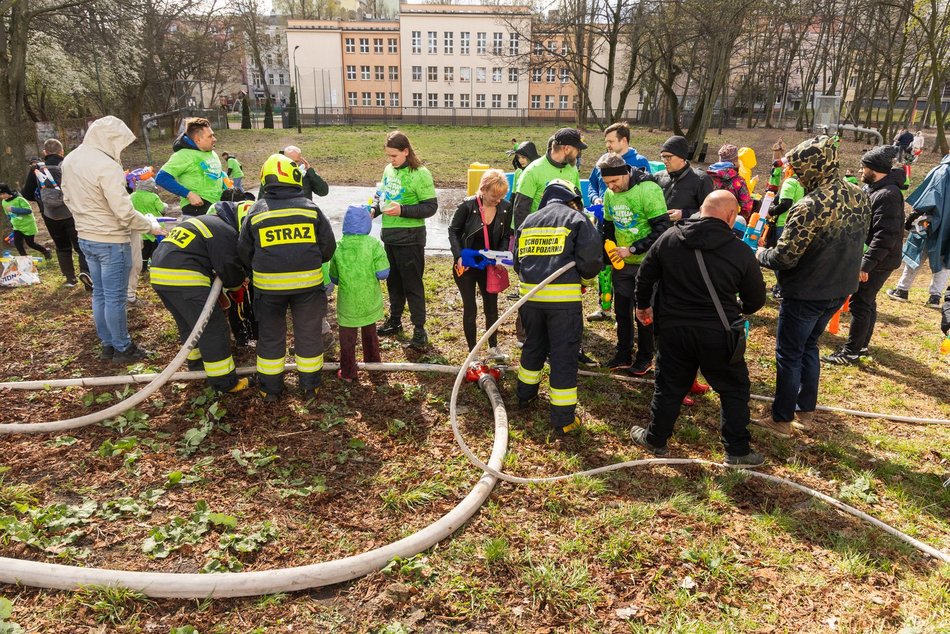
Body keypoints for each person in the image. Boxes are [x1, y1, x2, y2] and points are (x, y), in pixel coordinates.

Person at [628, 190, 766, 466]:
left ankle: (656, 439)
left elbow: (645, 275)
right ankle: (737, 450)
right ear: (730, 215)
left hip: (673, 328)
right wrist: (739, 307)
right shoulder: (739, 250)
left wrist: (643, 306)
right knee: (733, 389)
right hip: (719, 332)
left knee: (668, 386)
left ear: (701, 210)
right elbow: (756, 300)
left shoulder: (670, 238)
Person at [754, 135, 871, 436]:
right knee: (810, 347)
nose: (795, 175)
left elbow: (786, 256)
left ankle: (781, 419)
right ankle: (805, 412)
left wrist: (759, 254)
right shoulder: (858, 195)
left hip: (807, 292)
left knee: (789, 353)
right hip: (840, 288)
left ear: (813, 168)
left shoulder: (809, 206)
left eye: (799, 169)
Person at [61, 116, 165, 363]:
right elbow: (124, 212)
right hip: (111, 240)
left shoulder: (71, 160)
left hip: (86, 237)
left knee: (100, 294)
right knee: (116, 297)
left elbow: (67, 198)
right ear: (110, 140)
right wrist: (151, 226)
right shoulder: (106, 166)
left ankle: (108, 343)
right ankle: (123, 347)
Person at [238, 153, 336, 401]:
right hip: (308, 288)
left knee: (270, 336)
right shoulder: (311, 209)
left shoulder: (256, 212)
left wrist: (262, 268)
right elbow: (328, 247)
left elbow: (244, 251)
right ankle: (309, 387)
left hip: (268, 289)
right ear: (294, 178)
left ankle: (270, 389)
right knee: (309, 334)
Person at [514, 180, 602, 436]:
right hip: (562, 303)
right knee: (563, 356)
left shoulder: (528, 221)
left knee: (534, 345)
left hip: (529, 300)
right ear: (572, 199)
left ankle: (525, 395)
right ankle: (563, 419)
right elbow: (591, 261)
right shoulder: (577, 219)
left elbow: (518, 263)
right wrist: (584, 281)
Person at [149, 211, 250, 393]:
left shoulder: (204, 222)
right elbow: (228, 265)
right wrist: (236, 287)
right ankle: (225, 382)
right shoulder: (225, 230)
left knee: (189, 324)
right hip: (185, 277)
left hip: (159, 276)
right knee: (213, 327)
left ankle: (197, 366)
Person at [823, 146, 906, 365]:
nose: (860, 171)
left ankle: (851, 352)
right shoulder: (877, 189)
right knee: (868, 302)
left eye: (864, 167)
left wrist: (865, 265)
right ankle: (862, 346)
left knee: (860, 303)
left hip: (880, 260)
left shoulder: (888, 195)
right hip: (877, 257)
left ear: (875, 170)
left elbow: (886, 235)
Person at [595, 153, 670, 374]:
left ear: (625, 173)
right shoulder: (609, 194)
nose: (611, 187)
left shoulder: (648, 189)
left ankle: (646, 357)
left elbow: (663, 228)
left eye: (614, 181)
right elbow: (608, 228)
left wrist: (633, 249)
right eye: (607, 183)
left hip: (647, 264)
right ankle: (623, 353)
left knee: (644, 312)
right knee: (622, 311)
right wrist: (607, 260)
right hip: (621, 264)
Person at [373, 131, 438, 349]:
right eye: (388, 156)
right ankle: (395, 321)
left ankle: (419, 330)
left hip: (411, 239)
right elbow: (381, 196)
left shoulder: (420, 173)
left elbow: (430, 207)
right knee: (394, 283)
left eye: (394, 156)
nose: (391, 160)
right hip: (390, 237)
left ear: (406, 152)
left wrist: (403, 210)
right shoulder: (388, 170)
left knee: (412, 285)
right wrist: (373, 209)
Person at [448, 169, 513, 359]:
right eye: (494, 196)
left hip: (489, 266)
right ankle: (472, 351)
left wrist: (500, 256)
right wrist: (458, 255)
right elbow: (453, 231)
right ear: (483, 189)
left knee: (491, 307)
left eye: (501, 196)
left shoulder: (505, 208)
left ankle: (493, 347)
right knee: (470, 308)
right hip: (467, 264)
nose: (498, 200)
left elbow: (505, 235)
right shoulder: (467, 206)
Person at [327, 205, 390, 382]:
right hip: (369, 301)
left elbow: (334, 277)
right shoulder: (373, 244)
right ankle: (374, 367)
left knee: (347, 340)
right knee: (370, 335)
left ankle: (348, 372)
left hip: (348, 303)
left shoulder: (338, 247)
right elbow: (383, 273)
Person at [23, 139, 89, 288]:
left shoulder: (37, 169)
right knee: (81, 246)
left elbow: (27, 193)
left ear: (44, 153)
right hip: (72, 212)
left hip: (50, 214)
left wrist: (43, 200)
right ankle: (87, 274)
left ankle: (70, 279)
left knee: (62, 246)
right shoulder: (69, 165)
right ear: (62, 151)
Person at [886, 152, 950, 307]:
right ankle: (935, 297)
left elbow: (929, 196)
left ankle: (902, 289)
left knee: (917, 252)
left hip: (931, 221)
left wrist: (912, 218)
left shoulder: (942, 171)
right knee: (946, 257)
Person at [511, 128, 586, 230]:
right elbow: (520, 212)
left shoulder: (573, 169)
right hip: (538, 237)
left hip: (566, 237)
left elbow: (578, 203)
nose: (578, 153)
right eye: (577, 149)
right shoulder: (532, 171)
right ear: (567, 149)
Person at [155, 117, 225, 216]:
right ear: (198, 139)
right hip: (196, 210)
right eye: (210, 136)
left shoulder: (211, 152)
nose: (215, 139)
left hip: (215, 207)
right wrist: (188, 194)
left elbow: (213, 173)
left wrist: (225, 182)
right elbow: (161, 178)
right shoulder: (183, 155)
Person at [126, 174, 167, 305]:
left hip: (139, 230)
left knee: (142, 252)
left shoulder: (132, 196)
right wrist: (165, 206)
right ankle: (156, 269)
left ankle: (143, 269)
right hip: (154, 228)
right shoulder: (154, 197)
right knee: (156, 251)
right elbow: (162, 209)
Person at [653, 135, 714, 223]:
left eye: (668, 157)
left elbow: (711, 211)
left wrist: (684, 214)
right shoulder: (657, 177)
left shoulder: (701, 180)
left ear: (682, 158)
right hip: (659, 232)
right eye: (663, 157)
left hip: (687, 233)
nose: (664, 161)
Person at [588, 122, 652, 203]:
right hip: (604, 212)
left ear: (624, 141)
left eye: (611, 141)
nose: (607, 145)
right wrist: (595, 198)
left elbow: (648, 191)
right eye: (606, 142)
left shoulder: (641, 161)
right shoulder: (602, 161)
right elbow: (592, 184)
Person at [0, 184, 51, 260]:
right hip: (17, 226)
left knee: (30, 243)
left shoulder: (20, 199)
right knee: (18, 244)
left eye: (3, 194)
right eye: (0, 195)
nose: (2, 196)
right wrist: (11, 222)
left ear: (8, 192)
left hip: (28, 225)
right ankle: (24, 259)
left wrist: (14, 209)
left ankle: (45, 251)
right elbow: (8, 214)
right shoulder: (4, 202)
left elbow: (28, 210)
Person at [707, 144, 754, 220]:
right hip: (726, 222)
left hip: (705, 218)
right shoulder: (738, 181)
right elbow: (747, 206)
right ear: (735, 160)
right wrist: (736, 220)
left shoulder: (706, 176)